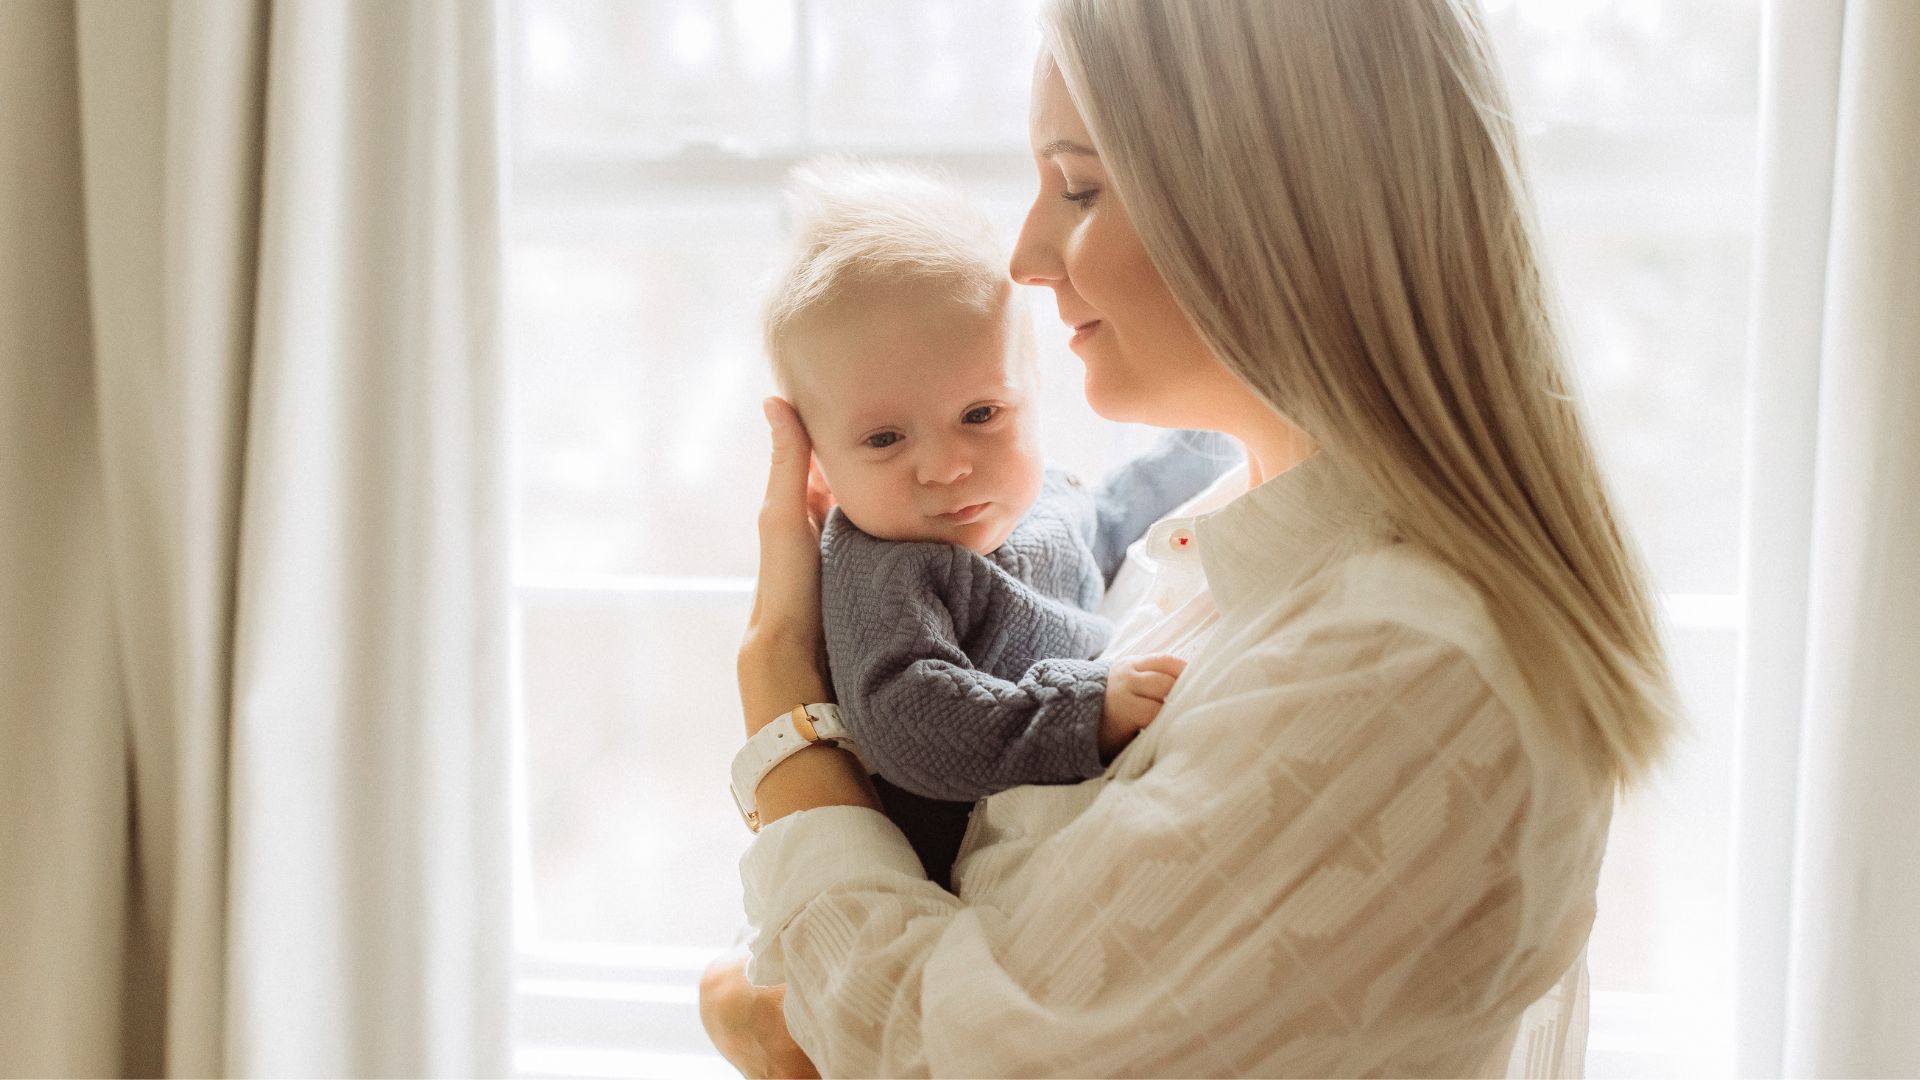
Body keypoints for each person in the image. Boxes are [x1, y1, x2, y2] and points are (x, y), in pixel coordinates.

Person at [704, 1, 1679, 1075]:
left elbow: (947, 1056)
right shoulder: (1198, 553)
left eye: (1078, 187)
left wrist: (784, 714)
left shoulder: (1406, 666)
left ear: (1275, 208)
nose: (1024, 257)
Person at [753, 160, 1239, 887]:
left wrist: (1214, 427)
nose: (948, 466)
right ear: (819, 470)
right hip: (936, 888)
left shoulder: (1042, 500)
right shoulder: (885, 569)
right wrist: (1084, 711)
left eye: (981, 415)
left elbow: (1109, 526)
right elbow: (911, 719)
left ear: (1033, 396)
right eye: (886, 439)